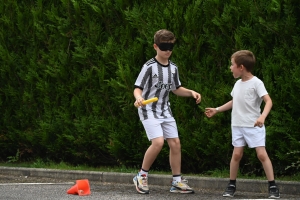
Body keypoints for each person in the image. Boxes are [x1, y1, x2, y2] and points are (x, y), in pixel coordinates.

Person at [133, 29, 201, 194]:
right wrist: (139, 97)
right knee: (158, 142)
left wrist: (191, 92)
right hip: (148, 110)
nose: (168, 51)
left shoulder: (173, 68)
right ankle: (141, 176)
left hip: (165, 110)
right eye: (164, 47)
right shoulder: (149, 67)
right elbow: (137, 88)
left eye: (170, 47)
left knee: (175, 143)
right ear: (155, 46)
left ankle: (177, 182)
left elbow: (176, 89)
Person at [205, 50, 280, 199]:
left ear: (241, 67)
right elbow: (234, 101)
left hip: (254, 126)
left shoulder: (257, 83)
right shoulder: (238, 84)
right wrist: (217, 110)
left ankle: (273, 187)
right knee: (237, 154)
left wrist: (262, 117)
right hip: (237, 126)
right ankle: (231, 185)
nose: (230, 67)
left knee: (261, 155)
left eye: (232, 65)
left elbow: (268, 101)